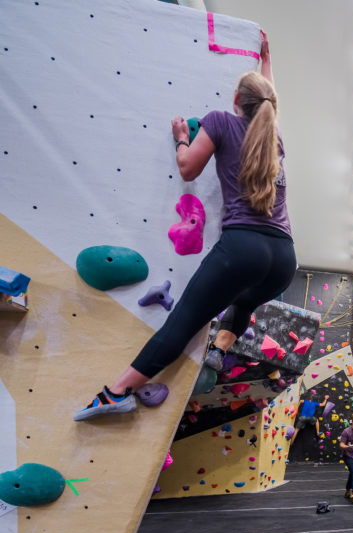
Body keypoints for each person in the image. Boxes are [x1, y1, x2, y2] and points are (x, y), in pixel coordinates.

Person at [74, 32, 297, 421]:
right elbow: (266, 101)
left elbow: (188, 168)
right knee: (243, 301)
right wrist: (266, 61)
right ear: (269, 107)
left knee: (184, 322)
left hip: (242, 249)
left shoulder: (221, 122)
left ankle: (117, 392)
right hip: (284, 259)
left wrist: (181, 139)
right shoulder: (273, 137)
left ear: (235, 100)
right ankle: (220, 348)